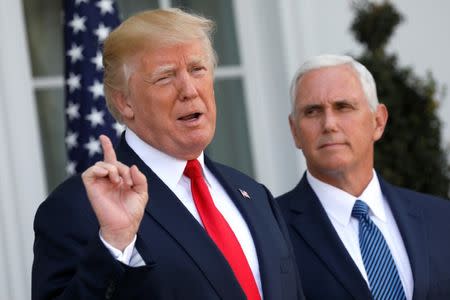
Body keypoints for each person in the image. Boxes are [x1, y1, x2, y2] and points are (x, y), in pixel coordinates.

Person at [32, 8, 303, 300]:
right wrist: (114, 244)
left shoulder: (256, 196)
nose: (189, 90)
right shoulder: (79, 208)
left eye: (197, 70)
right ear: (125, 103)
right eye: (165, 77)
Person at [277, 54, 450, 300]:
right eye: (313, 111)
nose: (329, 124)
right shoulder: (270, 231)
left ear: (378, 121)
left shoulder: (441, 219)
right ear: (295, 131)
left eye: (343, 107)